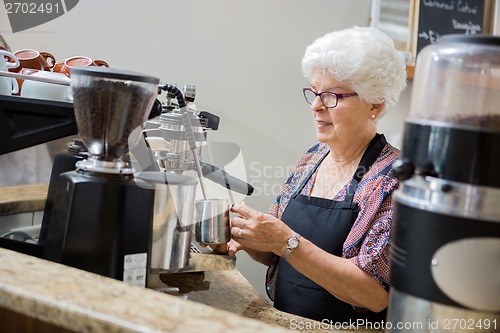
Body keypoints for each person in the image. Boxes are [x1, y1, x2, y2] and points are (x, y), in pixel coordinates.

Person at [221, 26, 407, 323]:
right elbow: (276, 252)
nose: (317, 106)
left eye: (332, 96)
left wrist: (286, 242)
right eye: (315, 92)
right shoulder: (311, 160)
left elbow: (373, 294)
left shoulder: (392, 180)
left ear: (375, 104)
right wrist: (249, 235)